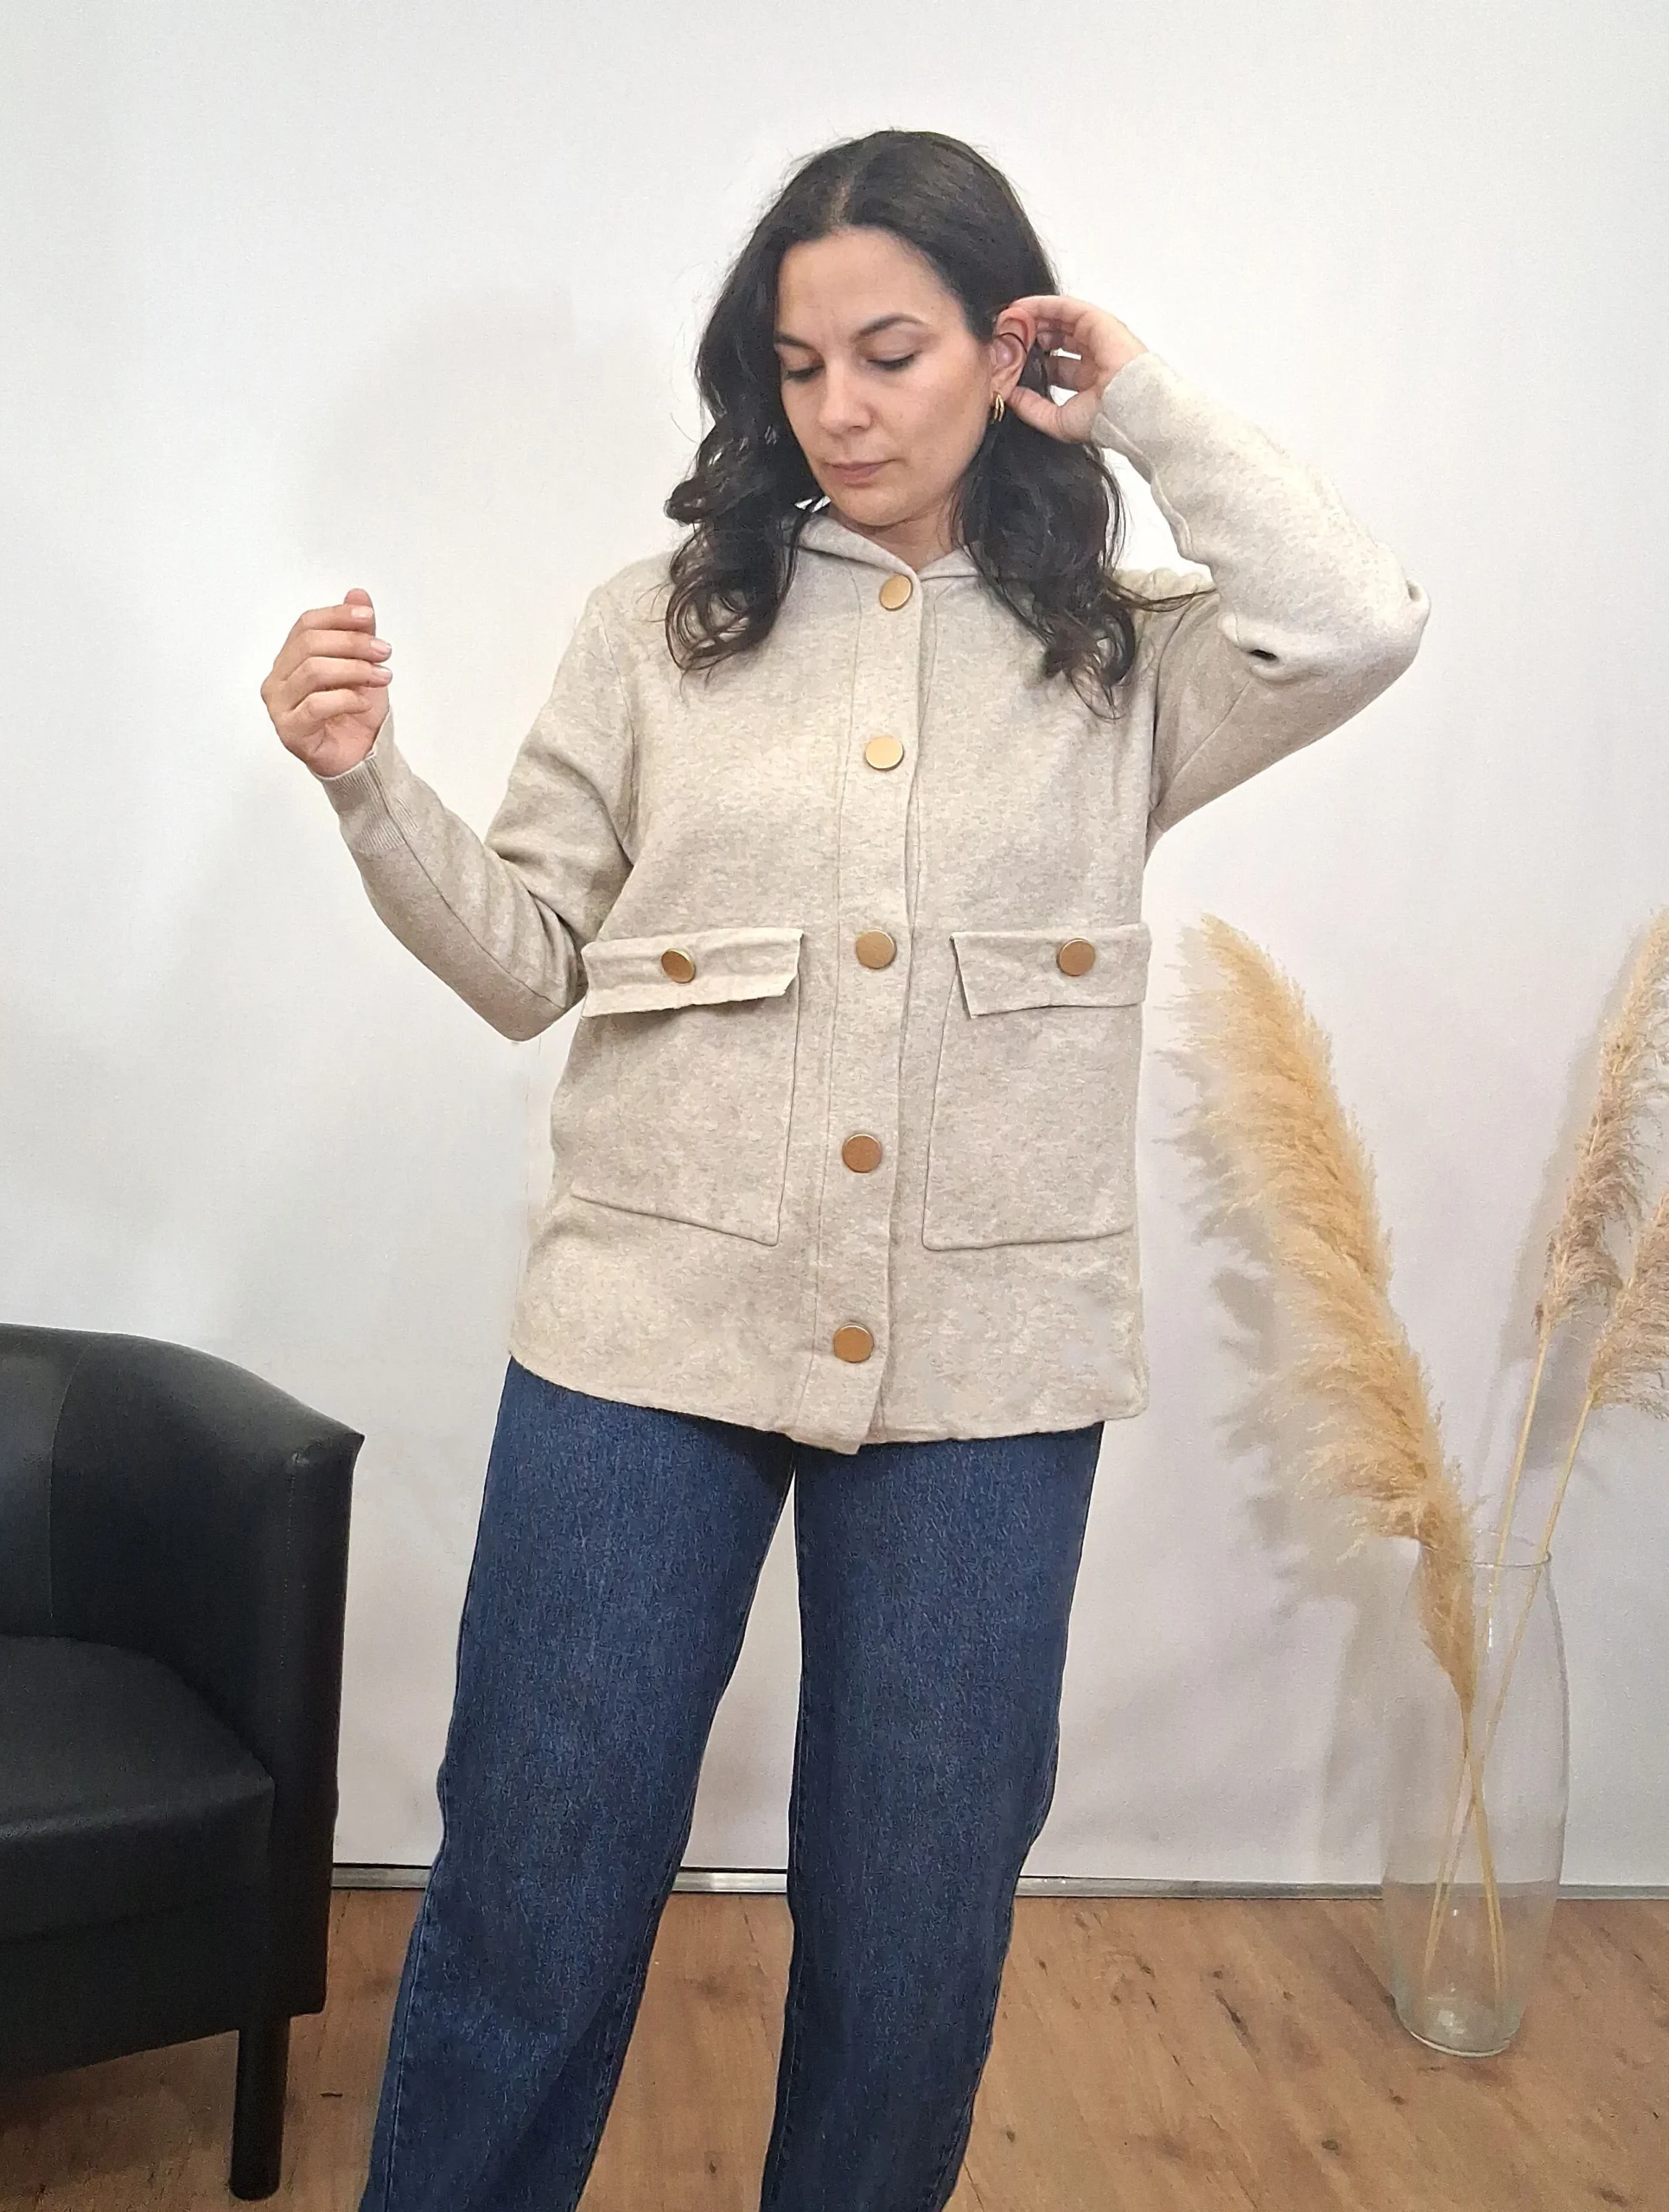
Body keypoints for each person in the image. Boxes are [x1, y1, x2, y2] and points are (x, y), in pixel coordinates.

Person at [259, 128, 1429, 2212]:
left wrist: (1140, 397)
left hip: (991, 1354)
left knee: (917, 1922)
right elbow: (528, 962)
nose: (842, 409)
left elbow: (1353, 626)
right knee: (537, 1870)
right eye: (801, 366)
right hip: (643, 1331)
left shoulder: (1122, 654)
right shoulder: (660, 626)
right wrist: (367, 784)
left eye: (892, 353)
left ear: (1005, 349)